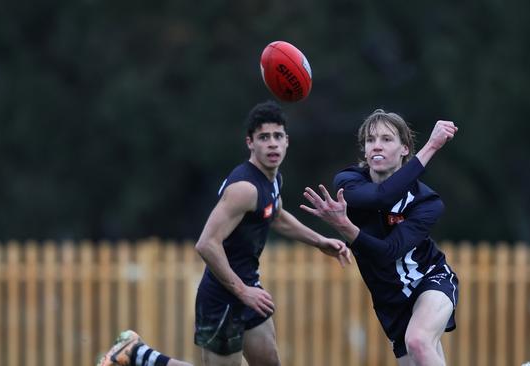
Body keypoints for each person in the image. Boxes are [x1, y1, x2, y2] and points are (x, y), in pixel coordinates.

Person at [97, 100, 351, 366]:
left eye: (278, 136)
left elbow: (275, 215)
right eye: (264, 137)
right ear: (250, 143)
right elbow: (206, 244)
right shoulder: (244, 188)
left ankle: (138, 354)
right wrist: (242, 291)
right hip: (222, 298)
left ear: (287, 140)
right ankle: (138, 354)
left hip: (249, 289)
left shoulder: (272, 179)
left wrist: (320, 241)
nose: (272, 143)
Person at [300, 109, 459, 366]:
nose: (377, 146)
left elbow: (388, 251)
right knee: (421, 355)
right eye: (371, 140)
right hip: (390, 299)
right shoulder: (348, 182)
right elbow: (379, 198)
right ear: (363, 151)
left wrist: (432, 145)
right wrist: (343, 225)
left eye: (387, 139)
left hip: (430, 280)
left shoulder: (427, 202)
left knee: (418, 341)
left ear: (405, 149)